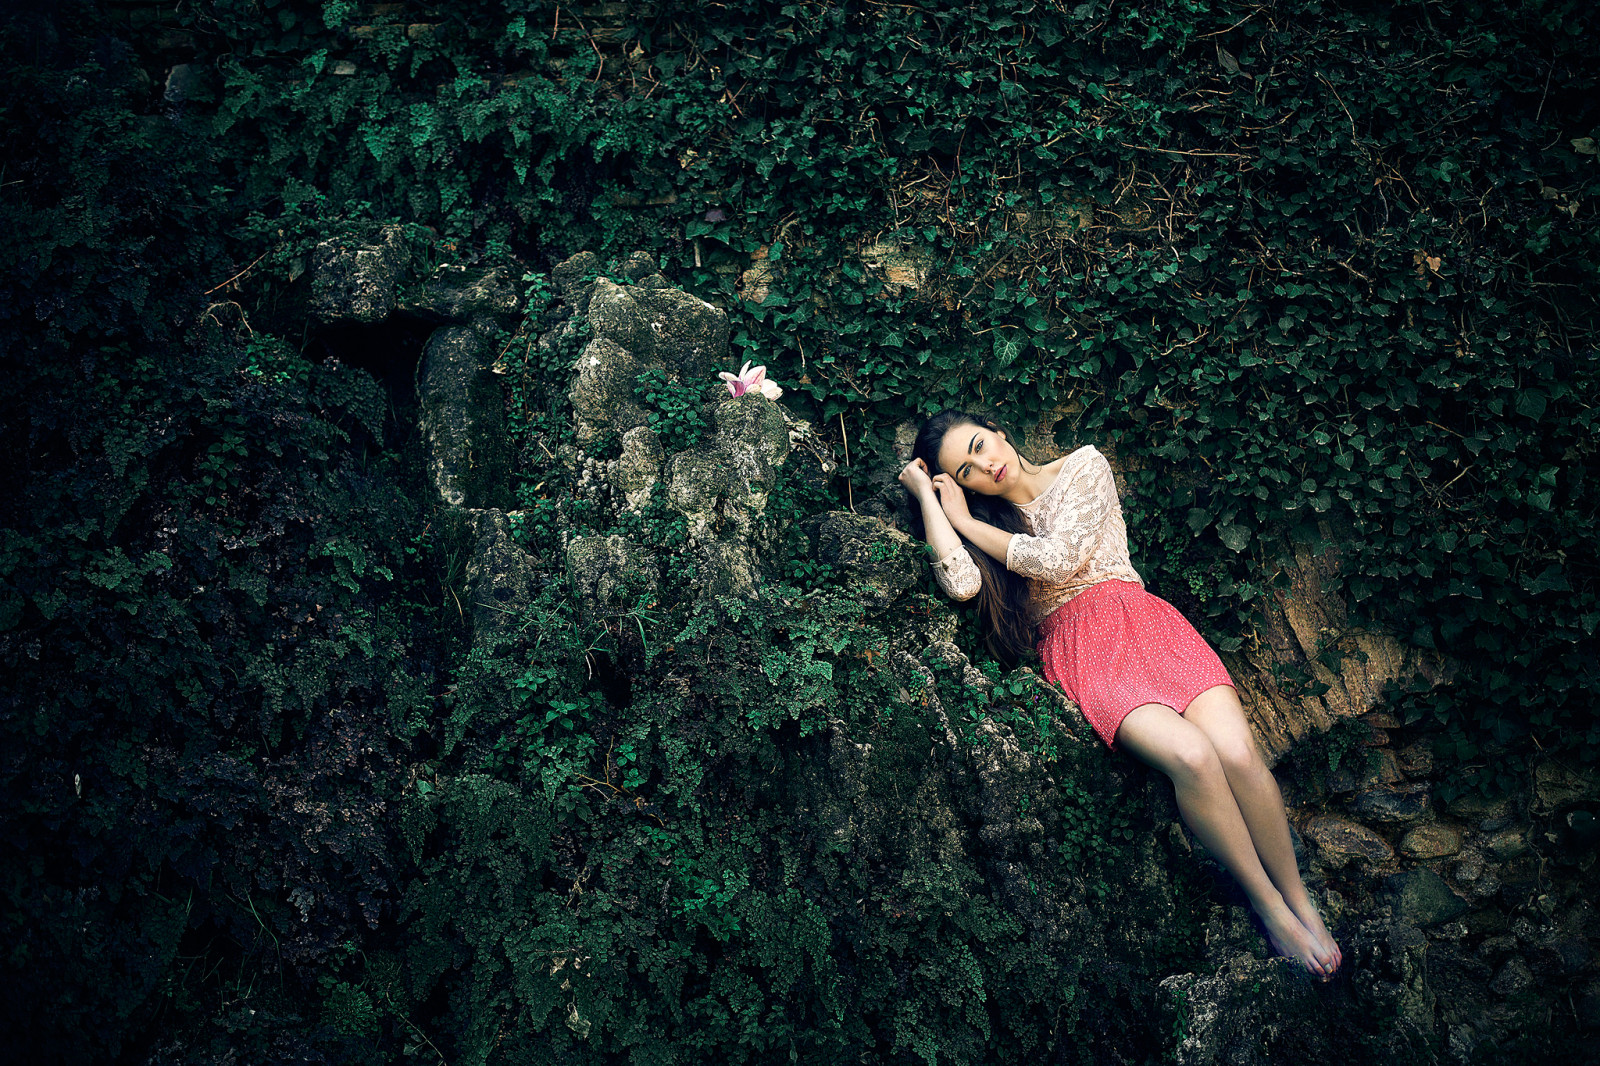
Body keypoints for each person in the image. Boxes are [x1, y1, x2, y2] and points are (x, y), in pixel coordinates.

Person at [899, 409, 1342, 978]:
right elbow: (960, 583)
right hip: (1084, 651)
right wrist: (936, 506)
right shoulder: (984, 521)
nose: (987, 465)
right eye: (967, 471)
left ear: (1000, 431)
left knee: (1236, 752)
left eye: (982, 446)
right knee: (1194, 756)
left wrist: (967, 519)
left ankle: (1302, 899)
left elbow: (1059, 557)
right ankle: (1271, 907)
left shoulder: (1085, 466)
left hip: (1148, 623)